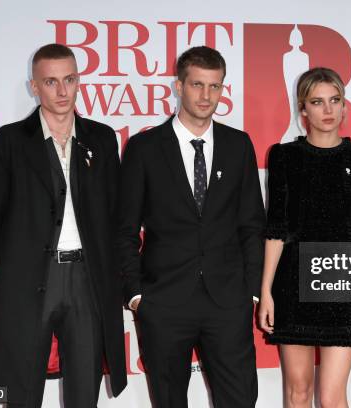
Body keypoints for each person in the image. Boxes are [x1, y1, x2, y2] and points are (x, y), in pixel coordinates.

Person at [0, 44, 127, 407]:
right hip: (29, 282)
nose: (62, 91)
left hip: (88, 283)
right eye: (51, 81)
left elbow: (117, 216)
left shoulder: (102, 140)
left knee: (84, 394)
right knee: (22, 392)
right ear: (34, 87)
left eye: (69, 79)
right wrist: (15, 269)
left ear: (79, 82)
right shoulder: (9, 142)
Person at [118, 46, 265, 407]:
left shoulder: (238, 145)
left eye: (215, 86)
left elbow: (251, 223)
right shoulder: (144, 148)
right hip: (164, 300)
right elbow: (122, 229)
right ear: (178, 86)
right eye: (197, 85)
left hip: (228, 300)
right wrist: (136, 294)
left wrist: (252, 292)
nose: (206, 96)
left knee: (241, 399)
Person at [257, 67, 351, 408]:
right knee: (298, 392)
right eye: (318, 102)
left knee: (332, 396)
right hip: (293, 285)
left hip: (344, 286)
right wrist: (266, 291)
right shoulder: (284, 157)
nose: (328, 110)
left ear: (344, 106)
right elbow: (276, 228)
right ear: (303, 109)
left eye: (335, 100)